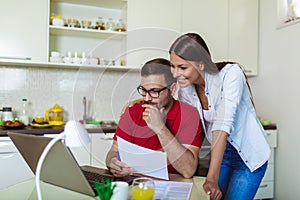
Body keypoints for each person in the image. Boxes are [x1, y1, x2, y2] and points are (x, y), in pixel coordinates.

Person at [168, 33, 270, 200]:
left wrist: (212, 177)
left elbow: (222, 124)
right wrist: (146, 101)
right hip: (222, 155)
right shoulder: (186, 89)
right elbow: (184, 119)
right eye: (173, 66)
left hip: (249, 156)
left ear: (201, 64)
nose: (175, 73)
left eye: (182, 67)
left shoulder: (231, 74)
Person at [105, 58, 203, 179]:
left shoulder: (189, 115)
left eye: (154, 91)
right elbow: (113, 151)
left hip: (173, 187)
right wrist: (112, 162)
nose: (147, 98)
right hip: (137, 185)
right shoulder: (132, 111)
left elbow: (188, 170)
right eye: (144, 91)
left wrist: (160, 128)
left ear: (172, 89)